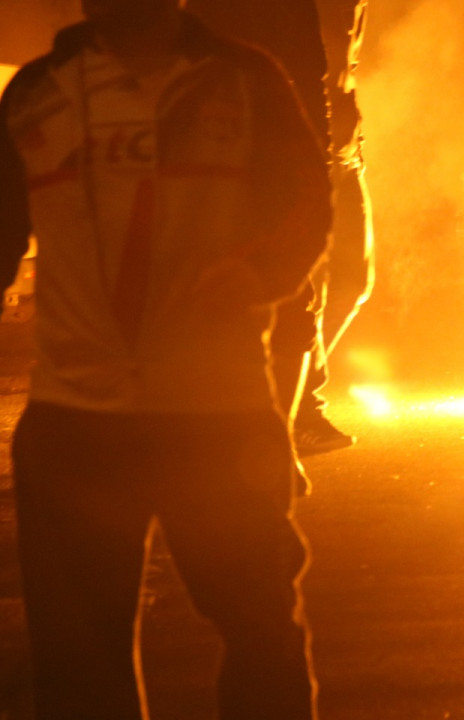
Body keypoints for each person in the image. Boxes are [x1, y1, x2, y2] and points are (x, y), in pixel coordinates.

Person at [0, 0, 332, 716]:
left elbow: (307, 201)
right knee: (79, 669)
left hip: (215, 413)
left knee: (259, 636)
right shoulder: (35, 93)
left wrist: (259, 270)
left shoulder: (244, 79)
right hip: (74, 423)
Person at [187, 0, 374, 460]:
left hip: (340, 140)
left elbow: (334, 62)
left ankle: (276, 402)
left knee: (352, 279)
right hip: (299, 140)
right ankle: (292, 414)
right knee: (299, 285)